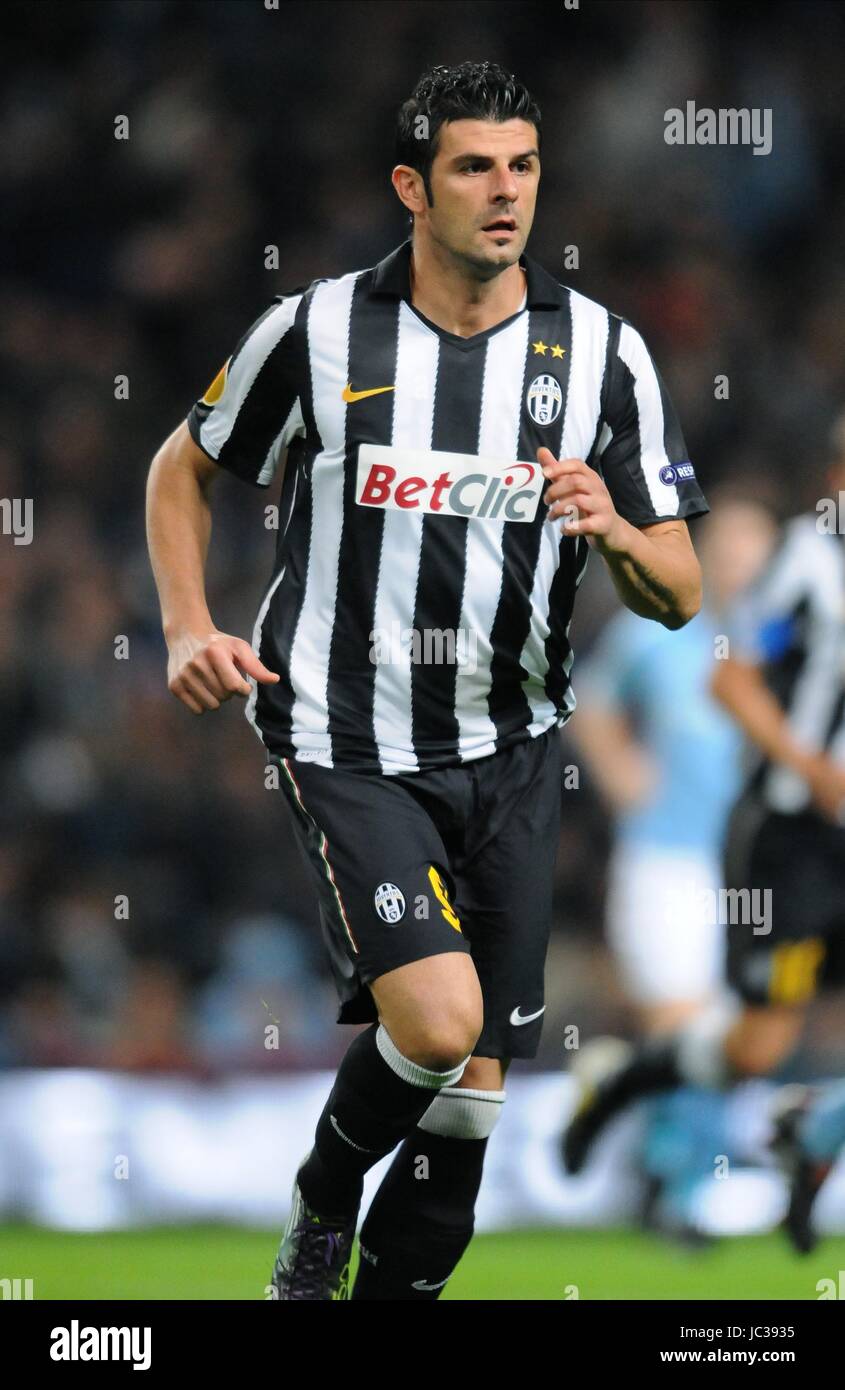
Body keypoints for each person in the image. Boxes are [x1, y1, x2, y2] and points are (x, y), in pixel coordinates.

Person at [146, 60, 707, 1301]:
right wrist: (187, 623)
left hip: (511, 750)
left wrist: (614, 529)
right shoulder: (317, 331)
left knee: (472, 1104)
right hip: (348, 732)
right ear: (413, 185)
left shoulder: (601, 353)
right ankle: (318, 1197)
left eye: (521, 164)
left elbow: (682, 589)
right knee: (442, 1026)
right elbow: (182, 467)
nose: (504, 192)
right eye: (472, 166)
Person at [563, 417, 845, 1255]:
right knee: (749, 1044)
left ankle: (812, 1129)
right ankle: (645, 1117)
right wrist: (813, 767)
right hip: (782, 838)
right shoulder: (803, 561)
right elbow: (732, 679)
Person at [566, 493, 775, 1238]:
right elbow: (586, 702)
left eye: (755, 557)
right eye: (729, 554)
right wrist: (620, 769)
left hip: (750, 869)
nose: (741, 570)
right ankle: (691, 1188)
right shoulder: (657, 632)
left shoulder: (786, 644)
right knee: (679, 1014)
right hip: (664, 857)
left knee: (732, 1030)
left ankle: (664, 1165)